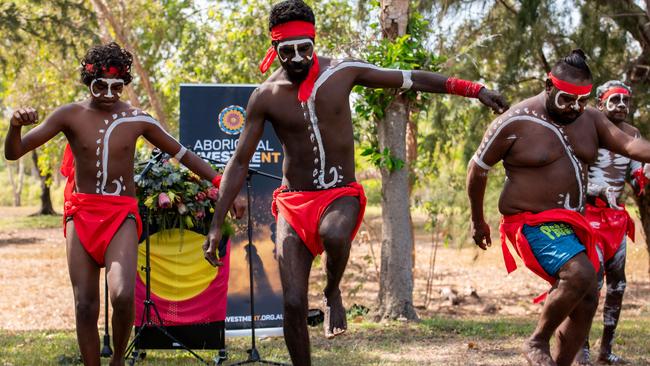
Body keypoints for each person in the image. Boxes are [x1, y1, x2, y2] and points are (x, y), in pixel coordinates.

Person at [202, 1, 508, 365]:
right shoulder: (264, 97)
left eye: (305, 48)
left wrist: (473, 89)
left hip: (339, 195)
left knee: (334, 235)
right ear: (275, 50)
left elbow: (410, 78)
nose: (298, 58)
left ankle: (332, 292)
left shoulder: (342, 72)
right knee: (293, 301)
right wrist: (216, 224)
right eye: (288, 51)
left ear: (314, 43)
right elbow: (238, 162)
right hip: (294, 203)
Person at [4, 42, 240, 366]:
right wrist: (15, 126)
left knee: (123, 294)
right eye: (101, 85)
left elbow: (182, 154)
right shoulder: (68, 115)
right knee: (85, 305)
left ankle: (117, 359)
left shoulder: (136, 118)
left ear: (125, 83)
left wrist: (222, 185)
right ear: (88, 81)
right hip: (81, 214)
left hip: (121, 215)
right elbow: (14, 152)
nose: (109, 93)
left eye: (117, 86)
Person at [467, 50, 650, 366]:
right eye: (567, 100)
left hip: (573, 224)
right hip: (531, 221)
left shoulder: (590, 118)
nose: (575, 108)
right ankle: (537, 341)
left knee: (587, 296)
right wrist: (477, 220)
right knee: (580, 274)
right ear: (548, 86)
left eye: (582, 100)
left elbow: (632, 146)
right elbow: (477, 169)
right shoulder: (515, 122)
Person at [574, 81, 648, 365]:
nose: (621, 105)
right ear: (600, 103)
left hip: (616, 219)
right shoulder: (588, 129)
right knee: (591, 283)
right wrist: (596, 190)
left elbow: (634, 174)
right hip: (589, 217)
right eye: (614, 100)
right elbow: (577, 174)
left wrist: (642, 174)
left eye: (625, 101)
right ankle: (582, 349)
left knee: (618, 285)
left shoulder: (632, 135)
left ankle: (606, 350)